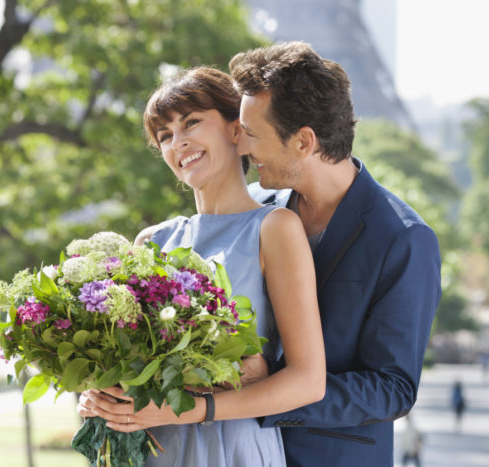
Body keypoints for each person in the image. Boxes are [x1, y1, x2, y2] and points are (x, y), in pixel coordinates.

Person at [77, 67, 326, 466]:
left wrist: (196, 408)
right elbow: (130, 364)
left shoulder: (274, 228)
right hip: (156, 447)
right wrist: (103, 395)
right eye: (165, 135)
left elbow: (308, 381)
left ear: (236, 131)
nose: (180, 142)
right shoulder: (151, 242)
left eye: (192, 123)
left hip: (232, 448)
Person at [229, 41, 442, 467]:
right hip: (234, 450)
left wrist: (272, 394)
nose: (241, 148)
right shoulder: (250, 209)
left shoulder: (404, 238)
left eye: (252, 134)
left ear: (304, 141)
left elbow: (393, 388)